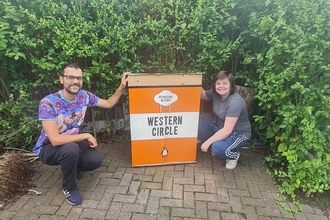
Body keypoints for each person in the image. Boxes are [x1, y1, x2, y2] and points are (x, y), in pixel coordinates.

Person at [32, 63, 129, 205]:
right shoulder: (48, 103)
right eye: (70, 77)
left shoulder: (84, 96)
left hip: (71, 143)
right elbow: (55, 140)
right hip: (48, 148)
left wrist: (121, 86)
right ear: (61, 79)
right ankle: (69, 188)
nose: (75, 81)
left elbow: (108, 103)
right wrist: (86, 135)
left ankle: (72, 167)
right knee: (70, 150)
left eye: (79, 78)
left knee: (95, 160)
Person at [198, 71, 251, 169]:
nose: (221, 86)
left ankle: (233, 155)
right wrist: (194, 81)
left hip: (238, 133)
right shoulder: (215, 93)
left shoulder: (235, 102)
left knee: (217, 149)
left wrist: (207, 142)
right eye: (218, 83)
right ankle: (218, 142)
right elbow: (201, 94)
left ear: (231, 85)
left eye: (225, 83)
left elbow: (227, 130)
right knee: (198, 124)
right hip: (219, 126)